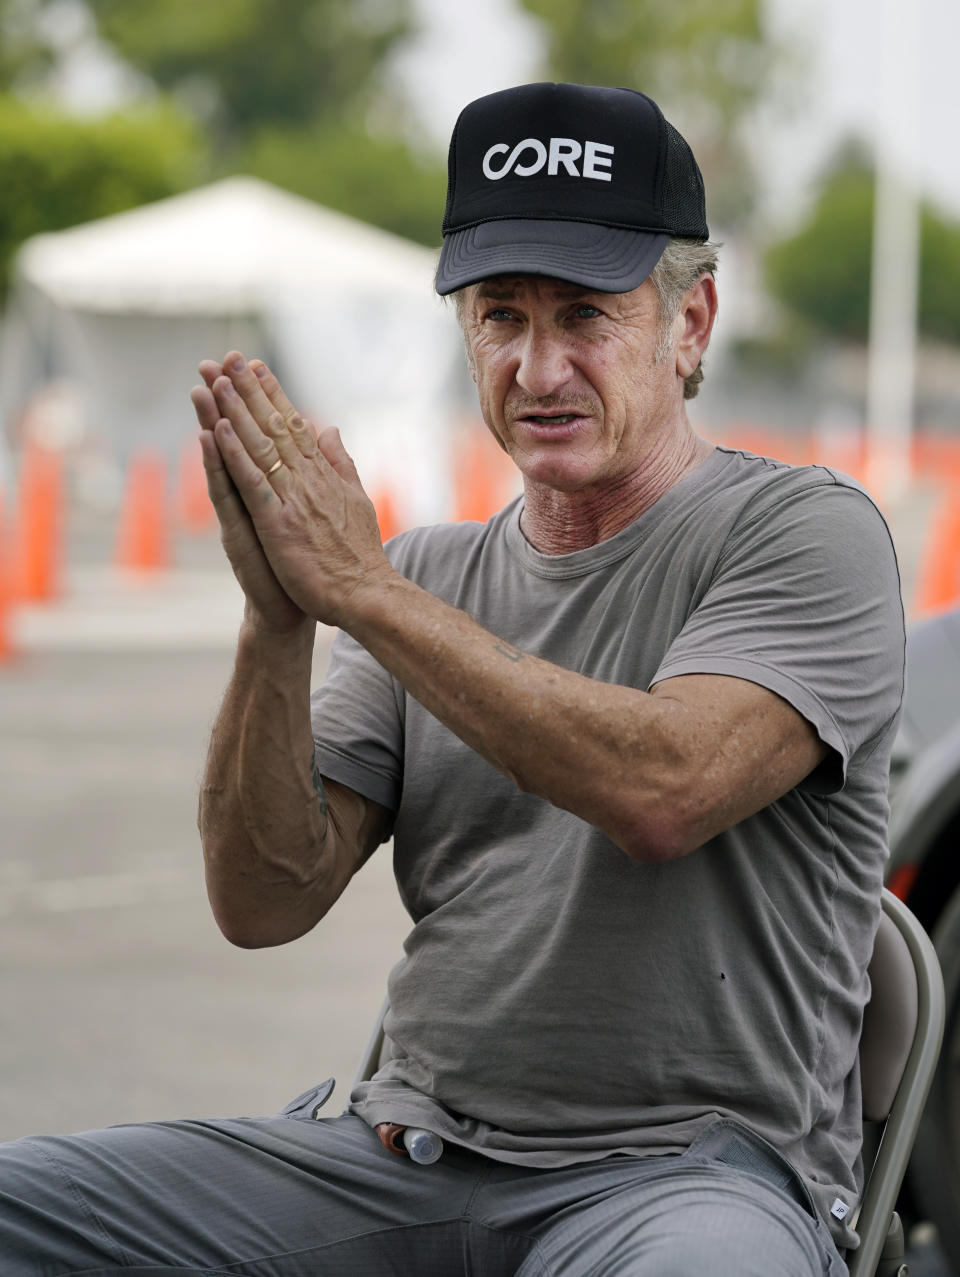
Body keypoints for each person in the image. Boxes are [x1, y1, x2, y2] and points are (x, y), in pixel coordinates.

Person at [0, 82, 903, 1276]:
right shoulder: (429, 578)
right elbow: (265, 899)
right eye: (499, 314)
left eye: (587, 313)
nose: (538, 365)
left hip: (689, 1178)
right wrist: (279, 618)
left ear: (691, 326)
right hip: (402, 1157)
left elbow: (666, 786)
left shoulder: (806, 533)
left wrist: (364, 592)